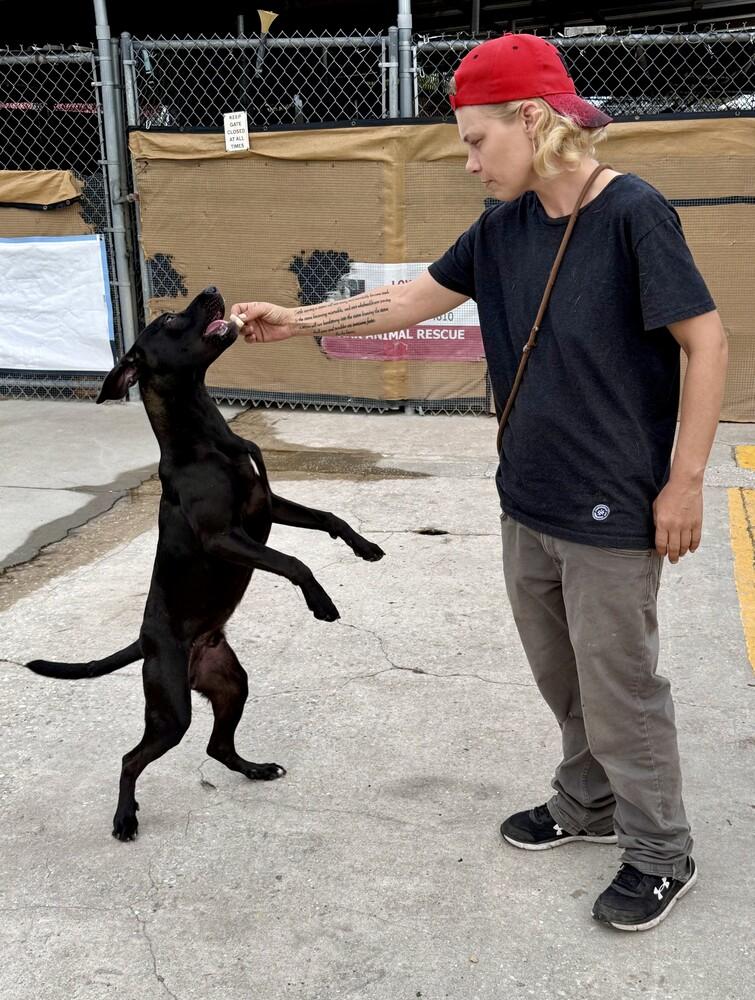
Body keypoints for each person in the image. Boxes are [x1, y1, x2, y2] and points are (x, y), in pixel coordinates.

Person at [231, 33, 728, 932]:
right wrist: (295, 320)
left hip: (613, 501)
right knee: (564, 679)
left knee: (621, 690)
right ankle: (586, 804)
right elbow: (410, 297)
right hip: (527, 496)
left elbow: (705, 341)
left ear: (531, 121)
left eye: (473, 139)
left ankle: (661, 850)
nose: (466, 161)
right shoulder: (503, 226)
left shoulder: (632, 213)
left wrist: (684, 483)